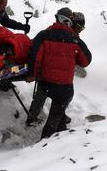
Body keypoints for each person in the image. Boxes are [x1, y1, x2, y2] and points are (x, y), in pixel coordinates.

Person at [27, 8, 92, 140]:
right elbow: (86, 60)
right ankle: (45, 144)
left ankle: (33, 119)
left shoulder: (44, 35)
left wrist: (32, 74)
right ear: (68, 21)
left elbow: (34, 56)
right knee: (54, 117)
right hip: (64, 87)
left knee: (42, 95)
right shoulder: (74, 39)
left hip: (45, 82)